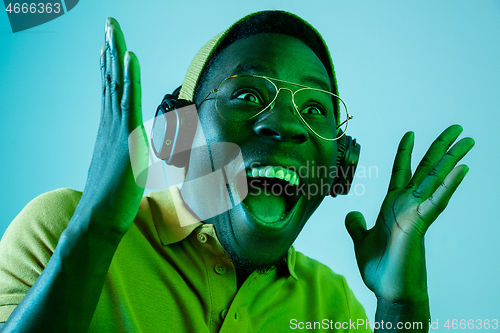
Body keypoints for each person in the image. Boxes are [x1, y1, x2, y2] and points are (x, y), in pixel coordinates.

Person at [0, 10, 474, 332]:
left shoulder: (334, 304)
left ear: (339, 171)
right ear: (176, 136)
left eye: (315, 108)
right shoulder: (61, 226)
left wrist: (402, 305)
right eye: (246, 94)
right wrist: (95, 231)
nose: (286, 124)